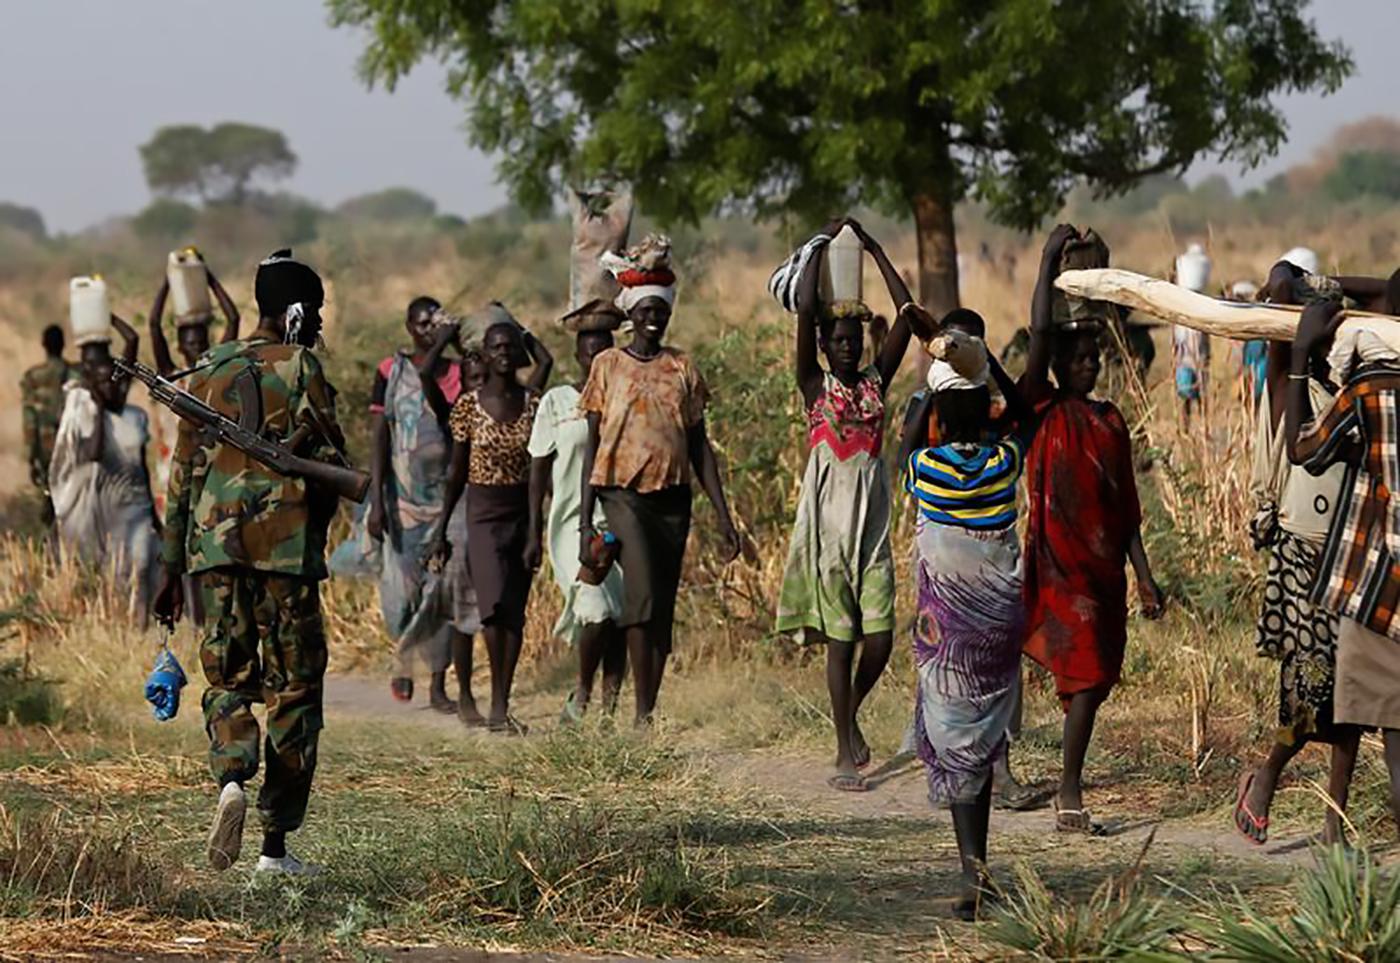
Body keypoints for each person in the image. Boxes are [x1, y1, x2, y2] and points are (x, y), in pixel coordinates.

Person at [154, 249, 345, 877]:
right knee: (294, 690)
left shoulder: (209, 367)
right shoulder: (303, 367)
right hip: (284, 555)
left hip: (214, 553)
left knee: (228, 678)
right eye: (313, 312)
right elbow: (331, 465)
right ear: (293, 311)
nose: (317, 325)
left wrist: (168, 567)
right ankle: (273, 847)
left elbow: (183, 473)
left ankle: (231, 779)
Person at [774, 218, 930, 791]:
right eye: (835, 341)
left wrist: (874, 248)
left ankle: (849, 716)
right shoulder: (815, 387)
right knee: (842, 642)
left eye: (853, 340)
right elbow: (806, 313)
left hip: (871, 531)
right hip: (829, 532)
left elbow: (910, 315)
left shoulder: (873, 383)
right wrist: (818, 247)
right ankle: (844, 749)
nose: (846, 347)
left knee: (881, 640)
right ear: (822, 345)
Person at [1021, 225, 1166, 833]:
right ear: (1057, 363)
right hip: (1060, 571)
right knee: (1084, 679)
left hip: (1103, 575)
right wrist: (1049, 261)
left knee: (1100, 677)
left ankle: (1060, 783)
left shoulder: (1111, 422)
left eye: (1094, 357)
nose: (1086, 366)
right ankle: (1070, 792)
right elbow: (1036, 338)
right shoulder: (1041, 407)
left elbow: (1127, 510)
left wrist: (1146, 577)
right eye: (1075, 358)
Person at [898, 315, 1033, 920]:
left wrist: (930, 389)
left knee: (955, 745)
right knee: (980, 743)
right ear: (986, 412)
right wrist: (985, 368)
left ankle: (972, 870)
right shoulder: (1003, 463)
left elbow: (904, 444)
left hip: (948, 631)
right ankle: (977, 870)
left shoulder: (928, 469)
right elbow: (1024, 418)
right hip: (998, 628)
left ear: (940, 419)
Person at [579, 235, 741, 725]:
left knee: (661, 607)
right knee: (643, 594)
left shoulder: (682, 366)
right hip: (623, 496)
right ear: (631, 312)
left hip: (673, 500)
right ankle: (642, 714)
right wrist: (586, 517)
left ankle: (647, 705)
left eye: (661, 310)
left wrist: (723, 514)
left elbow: (699, 445)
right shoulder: (607, 366)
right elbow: (593, 440)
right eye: (646, 309)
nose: (654, 317)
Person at [1236, 261, 1359, 846]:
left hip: (1352, 555)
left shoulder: (1359, 384)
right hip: (1302, 552)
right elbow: (1280, 278)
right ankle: (1265, 778)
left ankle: (1334, 825)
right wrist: (1301, 316)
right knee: (1308, 694)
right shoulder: (1291, 382)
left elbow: (1392, 283)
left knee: (1353, 697)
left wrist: (1340, 294)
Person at [1285, 296, 1400, 836]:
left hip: (1378, 585)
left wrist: (1299, 358)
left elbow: (1302, 449)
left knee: (1372, 719)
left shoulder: (1368, 388)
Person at [425, 305, 551, 735]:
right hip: (481, 514)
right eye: (496, 346)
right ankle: (493, 700)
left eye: (510, 347)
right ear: (484, 351)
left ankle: (501, 701)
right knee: (492, 607)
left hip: (520, 512)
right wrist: (441, 530)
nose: (503, 353)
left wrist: (536, 531)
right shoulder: (468, 406)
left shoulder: (534, 404)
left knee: (514, 611)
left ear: (519, 354)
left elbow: (538, 476)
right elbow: (456, 473)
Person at [369, 296, 481, 715]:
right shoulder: (391, 370)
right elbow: (380, 432)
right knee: (402, 594)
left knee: (441, 594)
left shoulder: (460, 373)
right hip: (402, 500)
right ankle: (403, 657)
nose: (428, 330)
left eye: (434, 323)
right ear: (409, 327)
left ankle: (437, 685)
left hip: (445, 500)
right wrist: (377, 499)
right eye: (421, 324)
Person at [526, 301, 628, 722]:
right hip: (572, 527)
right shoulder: (557, 402)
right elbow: (538, 471)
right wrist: (532, 532)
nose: (596, 360)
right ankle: (582, 694)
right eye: (589, 353)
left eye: (604, 352)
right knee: (595, 607)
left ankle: (610, 711)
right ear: (578, 355)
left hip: (619, 521)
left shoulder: (626, 397)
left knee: (620, 617)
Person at [147, 252, 240, 623]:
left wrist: (204, 275)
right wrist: (173, 279)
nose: (193, 345)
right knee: (177, 554)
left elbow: (233, 318)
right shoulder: (171, 378)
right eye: (187, 339)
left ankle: (206, 627)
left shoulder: (218, 371)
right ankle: (192, 623)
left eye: (199, 337)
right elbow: (153, 325)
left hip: (213, 481)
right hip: (171, 479)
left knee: (205, 557)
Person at [49, 317, 160, 624]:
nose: (110, 385)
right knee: (117, 572)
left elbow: (142, 466)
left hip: (136, 505)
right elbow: (94, 454)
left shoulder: (134, 416)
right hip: (107, 510)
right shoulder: (89, 416)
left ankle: (141, 629)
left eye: (115, 379)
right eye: (102, 382)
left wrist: (104, 317)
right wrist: (97, 406)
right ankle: (122, 626)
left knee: (141, 562)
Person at [20, 324, 77, 522]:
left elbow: (29, 421)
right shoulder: (76, 373)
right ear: (63, 344)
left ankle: (54, 542)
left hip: (46, 447)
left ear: (43, 344)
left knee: (51, 498)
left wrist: (31, 457)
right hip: (75, 444)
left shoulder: (32, 377)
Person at [1172, 244, 1213, 431]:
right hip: (1189, 359)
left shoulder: (1184, 310)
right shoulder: (1192, 310)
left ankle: (1195, 428)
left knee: (1191, 396)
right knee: (1189, 396)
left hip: (1191, 358)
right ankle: (1187, 428)